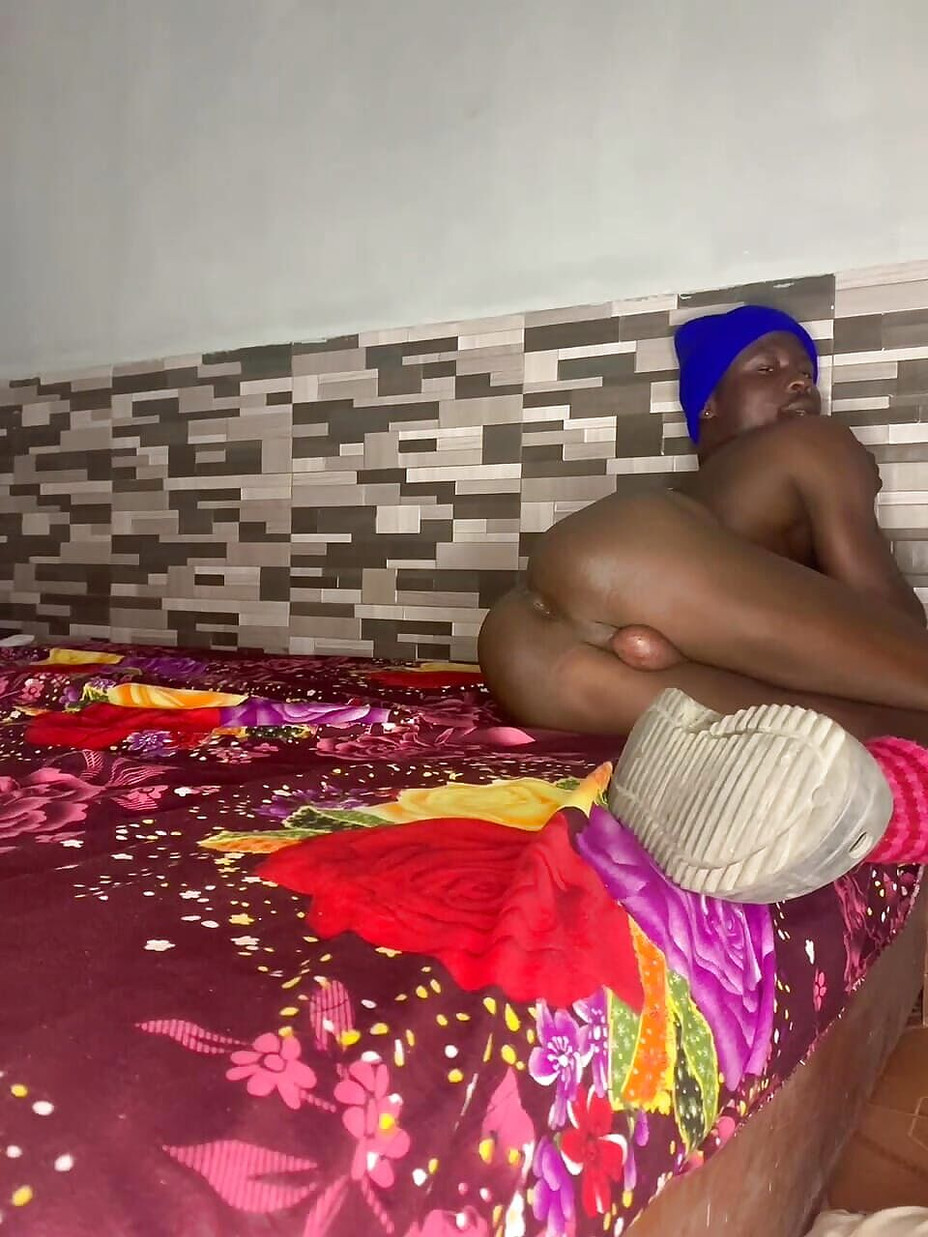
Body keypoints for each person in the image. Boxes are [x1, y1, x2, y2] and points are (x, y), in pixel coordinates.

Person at [478, 305, 928, 902]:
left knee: (849, 736)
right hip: (626, 558)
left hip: (522, 657)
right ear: (707, 405)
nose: (799, 381)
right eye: (766, 368)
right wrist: (852, 476)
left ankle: (702, 787)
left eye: (805, 372)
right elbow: (896, 630)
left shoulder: (713, 496)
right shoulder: (816, 443)